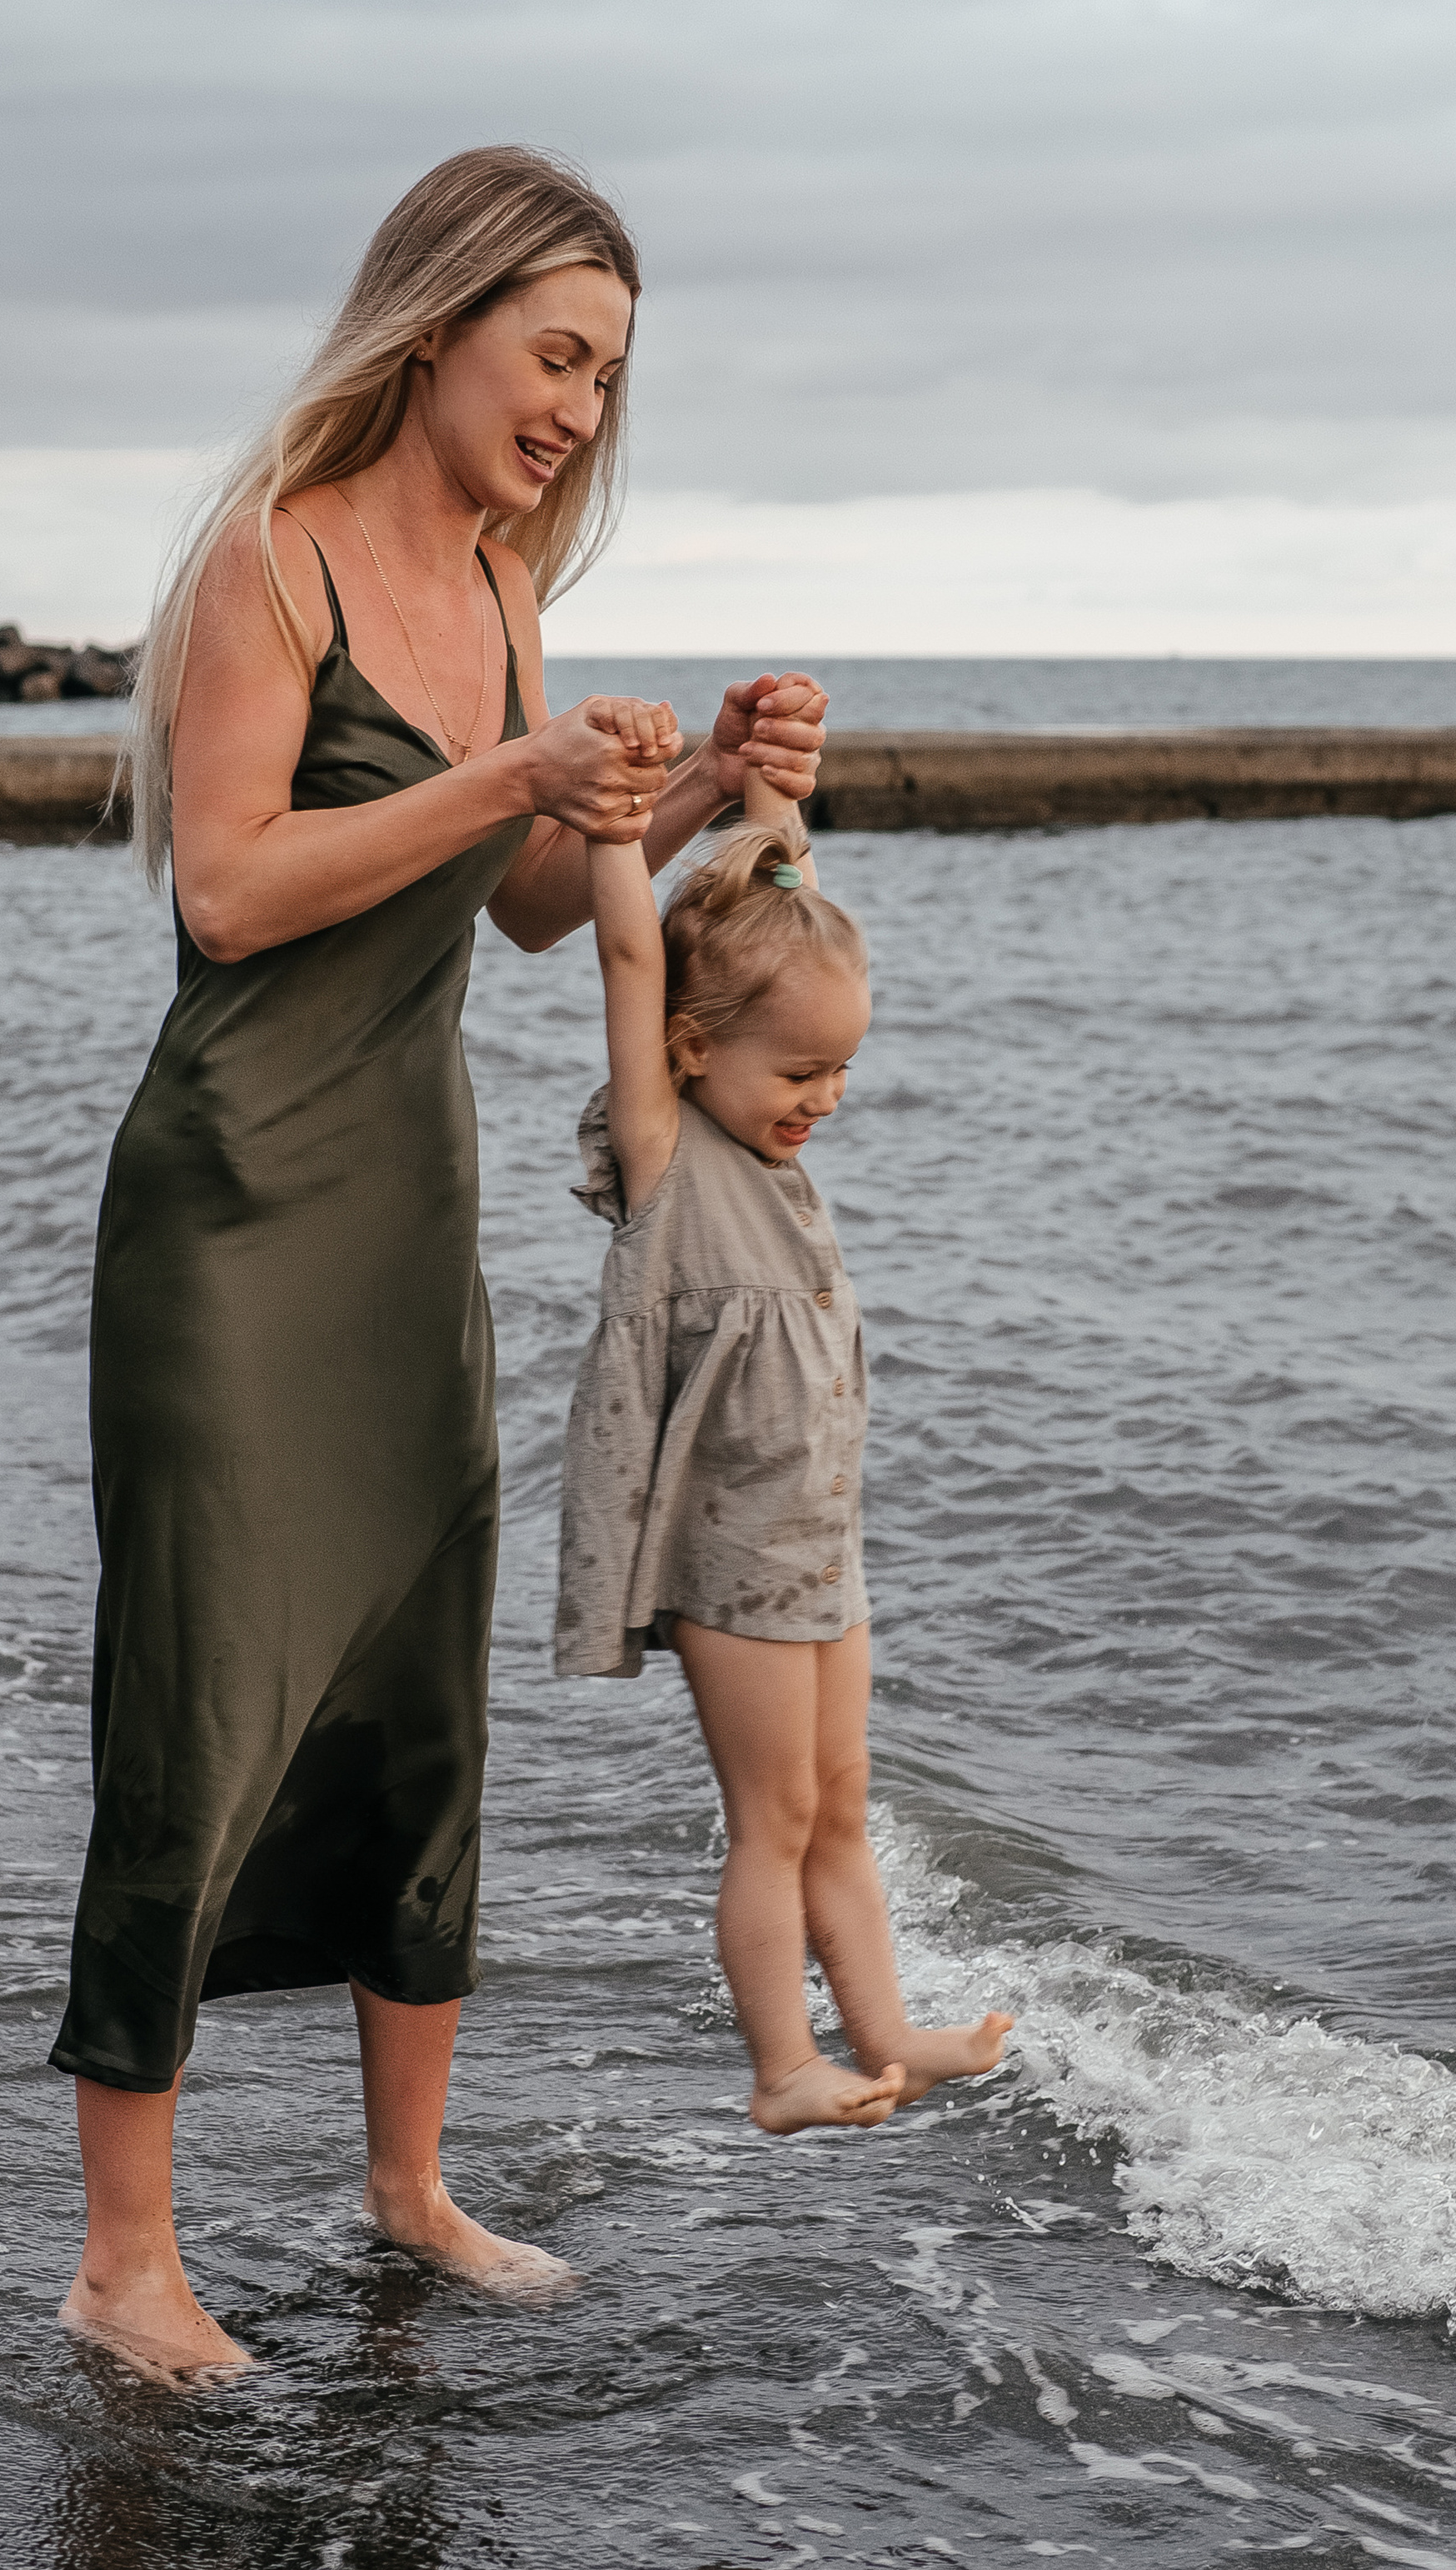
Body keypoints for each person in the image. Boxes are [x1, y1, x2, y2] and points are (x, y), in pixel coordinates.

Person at [47, 146, 831, 2378]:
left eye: (608, 374)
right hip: (228, 1216)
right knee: (200, 1692)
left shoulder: (498, 588)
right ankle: (124, 2258)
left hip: (409, 1207)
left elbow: (506, 895)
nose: (580, 404)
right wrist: (514, 772)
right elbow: (230, 889)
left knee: (414, 1690)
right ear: (439, 324)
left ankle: (408, 2185)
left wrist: (677, 801)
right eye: (555, 351)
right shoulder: (267, 560)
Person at [557, 709, 1013, 2133]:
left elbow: (779, 891)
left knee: (839, 1802)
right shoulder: (667, 1149)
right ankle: (780, 2067)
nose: (821, 1101)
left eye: (841, 1076)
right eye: (799, 1075)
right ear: (691, 1053)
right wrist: (620, 828)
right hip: (732, 1553)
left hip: (821, 1541)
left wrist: (762, 788)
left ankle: (883, 2034)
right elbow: (636, 956)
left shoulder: (762, 1128)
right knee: (770, 1823)